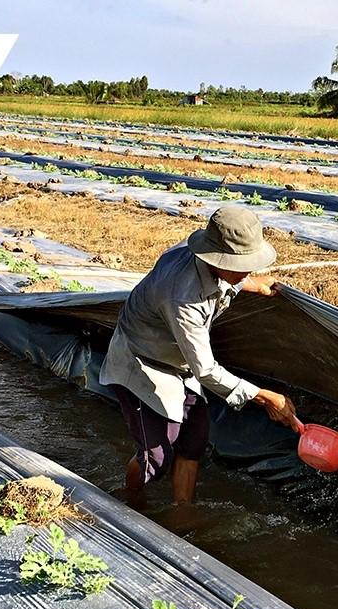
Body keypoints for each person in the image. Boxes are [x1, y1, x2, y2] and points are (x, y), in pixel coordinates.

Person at [99, 206, 300, 507]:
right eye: (241, 265)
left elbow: (227, 274)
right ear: (215, 259)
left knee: (193, 439)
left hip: (180, 360)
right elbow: (205, 370)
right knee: (155, 458)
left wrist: (253, 284)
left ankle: (182, 511)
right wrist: (264, 397)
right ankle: (129, 505)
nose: (246, 270)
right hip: (143, 362)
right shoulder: (183, 297)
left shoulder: (208, 258)